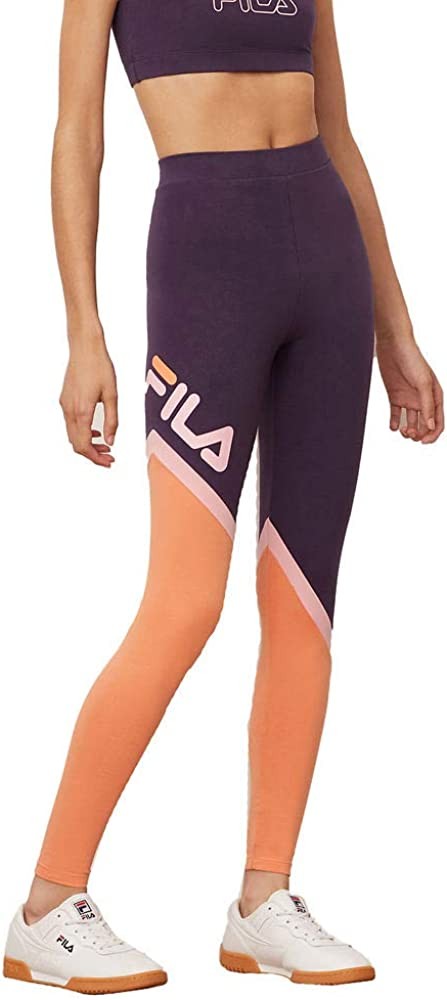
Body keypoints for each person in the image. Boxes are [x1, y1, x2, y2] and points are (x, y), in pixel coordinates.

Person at [4, 0, 444, 993]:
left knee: (304, 597)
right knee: (184, 602)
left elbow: (340, 137)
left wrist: (396, 330)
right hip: (209, 263)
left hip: (326, 261)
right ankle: (46, 905)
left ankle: (263, 900)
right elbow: (77, 136)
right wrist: (83, 334)